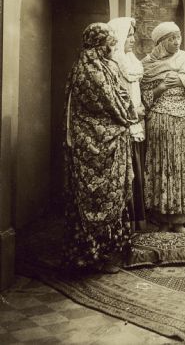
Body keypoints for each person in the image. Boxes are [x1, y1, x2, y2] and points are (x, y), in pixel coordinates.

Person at [63, 22, 136, 273]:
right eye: (109, 43)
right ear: (99, 43)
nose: (112, 47)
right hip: (94, 145)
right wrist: (127, 117)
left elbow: (120, 97)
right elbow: (113, 105)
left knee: (102, 196)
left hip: (99, 141)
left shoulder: (98, 67)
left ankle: (104, 252)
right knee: (98, 196)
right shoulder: (91, 71)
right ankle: (96, 256)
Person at [141, 22, 185, 234]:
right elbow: (142, 99)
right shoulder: (146, 64)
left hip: (184, 121)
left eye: (178, 37)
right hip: (160, 122)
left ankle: (179, 220)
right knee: (163, 168)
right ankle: (161, 219)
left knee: (182, 167)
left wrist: (181, 80)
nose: (177, 41)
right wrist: (160, 88)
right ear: (160, 41)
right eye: (171, 38)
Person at [108, 17, 147, 231]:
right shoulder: (114, 64)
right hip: (124, 124)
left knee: (137, 173)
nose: (132, 39)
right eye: (128, 35)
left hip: (136, 122)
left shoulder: (132, 62)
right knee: (127, 175)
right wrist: (133, 113)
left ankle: (138, 221)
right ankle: (126, 225)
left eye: (133, 35)